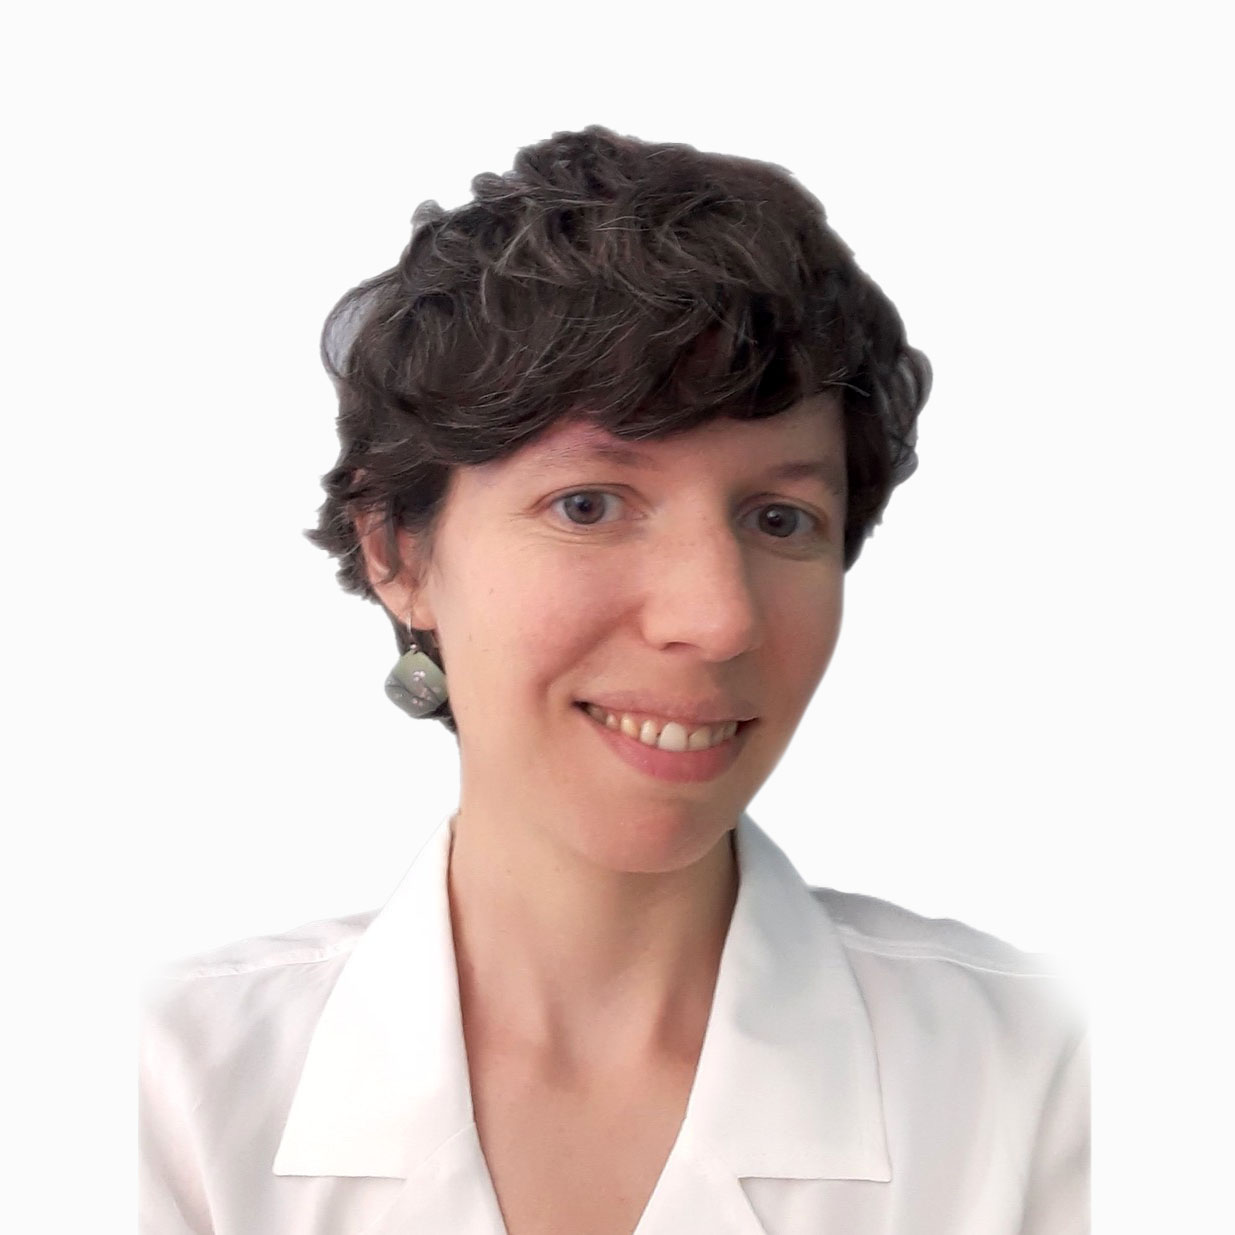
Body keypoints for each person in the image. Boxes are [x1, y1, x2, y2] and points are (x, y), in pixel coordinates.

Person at [139, 125, 1089, 1235]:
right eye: (588, 504)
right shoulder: (162, 1094)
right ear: (398, 552)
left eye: (780, 518)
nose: (717, 617)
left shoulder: (1048, 1082)